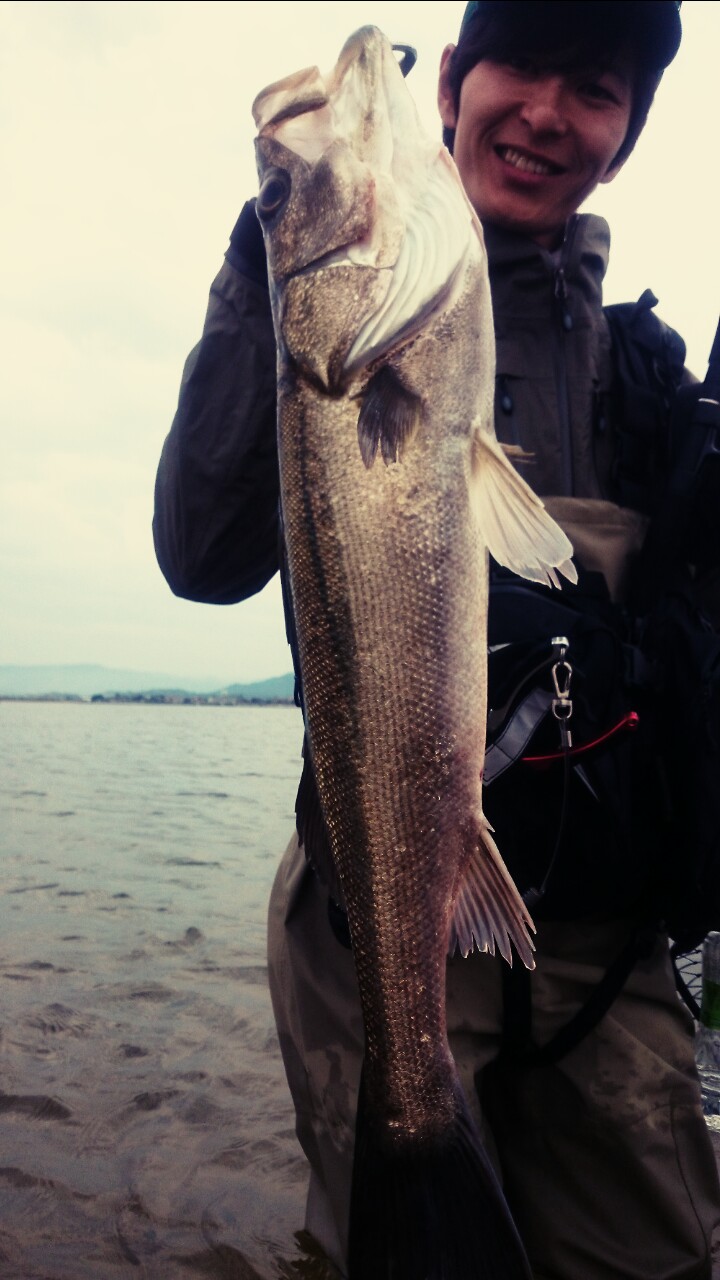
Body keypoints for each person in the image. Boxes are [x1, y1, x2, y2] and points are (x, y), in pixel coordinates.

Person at [154, 2, 720, 1276]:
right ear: (454, 82)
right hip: (377, 929)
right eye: (523, 64)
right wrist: (278, 244)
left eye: (596, 88)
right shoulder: (331, 326)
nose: (547, 113)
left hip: (603, 945)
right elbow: (199, 556)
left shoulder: (653, 379)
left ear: (625, 137)